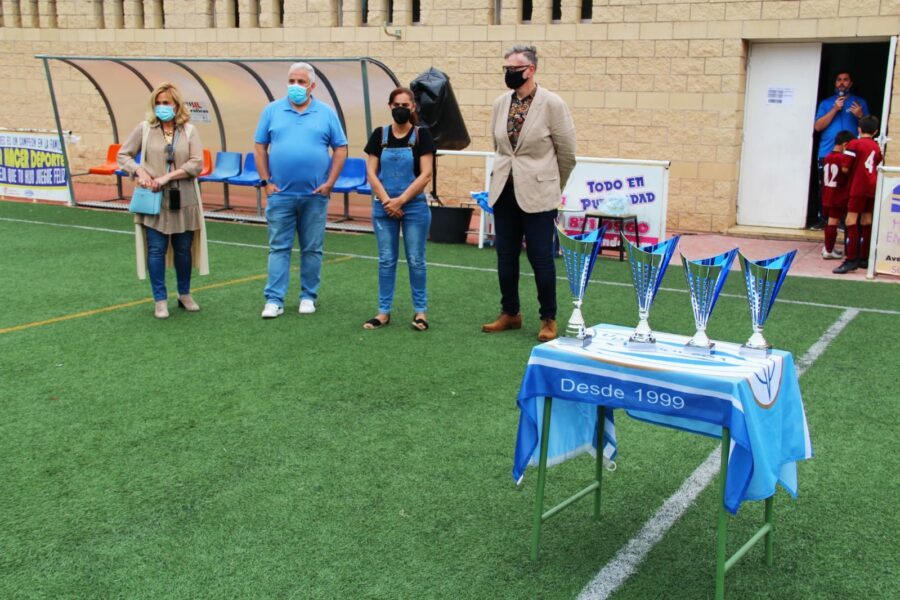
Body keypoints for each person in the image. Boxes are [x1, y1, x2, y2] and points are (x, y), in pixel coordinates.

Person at [481, 45, 577, 342]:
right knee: (505, 255)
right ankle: (510, 312)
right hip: (504, 192)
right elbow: (499, 147)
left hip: (539, 194)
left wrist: (552, 186)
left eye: (514, 69)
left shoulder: (552, 104)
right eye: (506, 69)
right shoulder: (500, 103)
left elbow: (567, 153)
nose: (509, 74)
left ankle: (548, 318)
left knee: (541, 259)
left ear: (530, 70)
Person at [254, 62, 348, 318]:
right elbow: (260, 146)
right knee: (278, 248)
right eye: (292, 81)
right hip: (280, 194)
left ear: (312, 86)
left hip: (315, 195)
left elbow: (341, 148)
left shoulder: (326, 113)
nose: (295, 86)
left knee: (312, 248)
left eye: (301, 82)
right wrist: (266, 182)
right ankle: (274, 300)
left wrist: (329, 183)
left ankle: (308, 296)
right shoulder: (272, 111)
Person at [118, 82, 209, 319]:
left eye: (166, 103)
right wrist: (140, 171)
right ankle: (160, 299)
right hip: (153, 198)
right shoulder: (145, 129)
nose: (161, 107)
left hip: (184, 197)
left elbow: (196, 162)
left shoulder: (189, 130)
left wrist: (168, 176)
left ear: (176, 104)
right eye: (158, 103)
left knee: (183, 249)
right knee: (156, 249)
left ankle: (184, 294)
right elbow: (123, 155)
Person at [362, 87, 436, 331]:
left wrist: (400, 200)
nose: (401, 109)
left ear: (413, 107)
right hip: (383, 207)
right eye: (397, 105)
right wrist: (387, 201)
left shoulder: (422, 136)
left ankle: (421, 312)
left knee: (416, 260)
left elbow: (426, 174)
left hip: (413, 206)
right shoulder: (379, 135)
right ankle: (383, 313)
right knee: (386, 260)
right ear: (390, 107)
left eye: (406, 105)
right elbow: (371, 173)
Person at [812, 71, 869, 230]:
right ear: (835, 83)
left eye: (845, 80)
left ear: (850, 83)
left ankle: (844, 221)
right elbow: (818, 127)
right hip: (827, 152)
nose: (842, 83)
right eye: (839, 80)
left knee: (848, 188)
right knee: (825, 187)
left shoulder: (859, 102)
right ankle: (824, 220)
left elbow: (869, 128)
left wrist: (860, 115)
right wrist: (835, 109)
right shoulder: (826, 103)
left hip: (850, 154)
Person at [833, 115, 883, 274]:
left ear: (859, 129)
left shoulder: (854, 144)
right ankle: (863, 258)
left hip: (858, 187)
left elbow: (846, 168)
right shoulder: (876, 147)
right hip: (872, 187)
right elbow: (878, 162)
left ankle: (851, 260)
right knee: (867, 220)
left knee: (850, 220)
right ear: (875, 131)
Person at [820, 130, 855, 260]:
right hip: (837, 195)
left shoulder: (828, 156)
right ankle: (828, 250)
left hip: (827, 193)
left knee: (829, 222)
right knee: (833, 222)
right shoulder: (842, 158)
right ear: (845, 144)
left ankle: (828, 247)